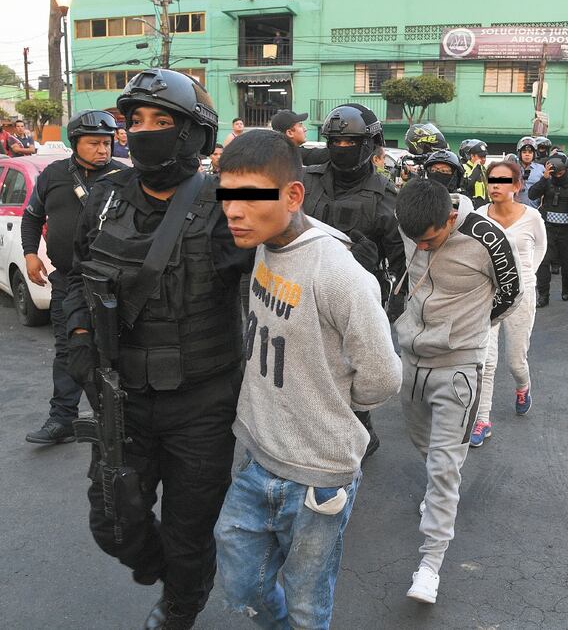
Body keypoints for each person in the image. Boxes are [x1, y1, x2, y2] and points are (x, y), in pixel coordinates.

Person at [63, 69, 254, 629]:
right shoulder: (103, 198)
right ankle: (168, 572)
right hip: (122, 395)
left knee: (189, 528)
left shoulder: (234, 195)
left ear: (195, 135)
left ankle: (180, 604)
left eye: (161, 122)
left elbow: (297, 223)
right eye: (135, 121)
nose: (143, 132)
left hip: (203, 401)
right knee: (112, 522)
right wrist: (77, 339)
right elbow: (74, 277)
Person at [213, 130, 401, 629]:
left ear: (292, 195)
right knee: (240, 584)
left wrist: (328, 399)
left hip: (319, 475)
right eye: (227, 194)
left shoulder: (339, 273)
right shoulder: (264, 242)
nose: (234, 210)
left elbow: (382, 380)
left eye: (250, 196)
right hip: (258, 458)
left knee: (307, 604)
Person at [394, 177, 523, 604]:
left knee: (445, 465)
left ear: (450, 217)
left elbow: (512, 293)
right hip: (410, 362)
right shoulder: (411, 226)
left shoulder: (487, 237)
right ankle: (436, 492)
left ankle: (429, 567)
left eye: (430, 240)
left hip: (459, 369)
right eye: (417, 243)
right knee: (427, 451)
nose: (423, 248)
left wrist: (470, 329)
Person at [302, 103, 407, 458]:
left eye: (351, 141)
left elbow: (402, 263)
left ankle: (361, 430)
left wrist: (375, 270)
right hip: (304, 290)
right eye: (335, 140)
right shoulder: (304, 180)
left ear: (371, 143)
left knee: (352, 368)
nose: (342, 148)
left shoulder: (386, 197)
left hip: (358, 297)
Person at [21, 110, 126, 445]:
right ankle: (62, 418)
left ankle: (114, 420)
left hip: (113, 285)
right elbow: (31, 217)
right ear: (75, 143)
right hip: (66, 281)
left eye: (107, 142)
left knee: (114, 352)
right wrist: (30, 253)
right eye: (94, 143)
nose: (102, 149)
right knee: (68, 350)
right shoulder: (53, 175)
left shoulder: (124, 178)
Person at [471, 160, 546, 446]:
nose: (496, 186)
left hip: (521, 295)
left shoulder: (532, 217)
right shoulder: (478, 217)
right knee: (485, 362)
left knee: (515, 361)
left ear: (517, 186)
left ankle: (523, 386)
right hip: (487, 294)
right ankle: (482, 421)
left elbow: (540, 249)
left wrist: (525, 277)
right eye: (492, 180)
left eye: (503, 181)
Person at [529, 151, 568, 307]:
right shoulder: (547, 180)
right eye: (554, 172)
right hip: (548, 230)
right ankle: (543, 295)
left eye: (561, 172)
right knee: (543, 263)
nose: (557, 175)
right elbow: (532, 195)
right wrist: (544, 178)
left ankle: (566, 287)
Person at [516, 136, 543, 207]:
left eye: (530, 152)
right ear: (519, 154)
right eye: (524, 152)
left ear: (534, 154)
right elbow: (498, 182)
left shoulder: (541, 169)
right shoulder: (512, 168)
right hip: (515, 210)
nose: (527, 154)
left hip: (534, 210)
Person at [462, 139, 489, 208]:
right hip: (472, 206)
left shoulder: (484, 169)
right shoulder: (464, 167)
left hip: (485, 205)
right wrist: (476, 167)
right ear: (472, 156)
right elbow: (467, 185)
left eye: (485, 156)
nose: (483, 159)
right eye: (480, 156)